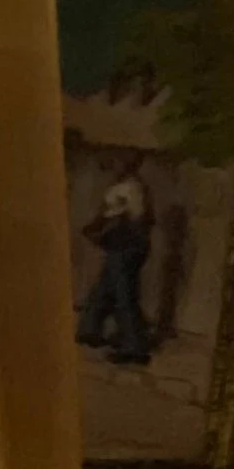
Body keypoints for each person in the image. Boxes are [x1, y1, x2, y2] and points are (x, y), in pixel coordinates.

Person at [75, 156, 156, 364]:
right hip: (123, 245)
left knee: (123, 295)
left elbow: (134, 218)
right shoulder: (127, 187)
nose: (115, 165)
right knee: (105, 288)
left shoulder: (130, 188)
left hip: (126, 245)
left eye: (119, 162)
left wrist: (104, 227)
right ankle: (90, 330)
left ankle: (134, 347)